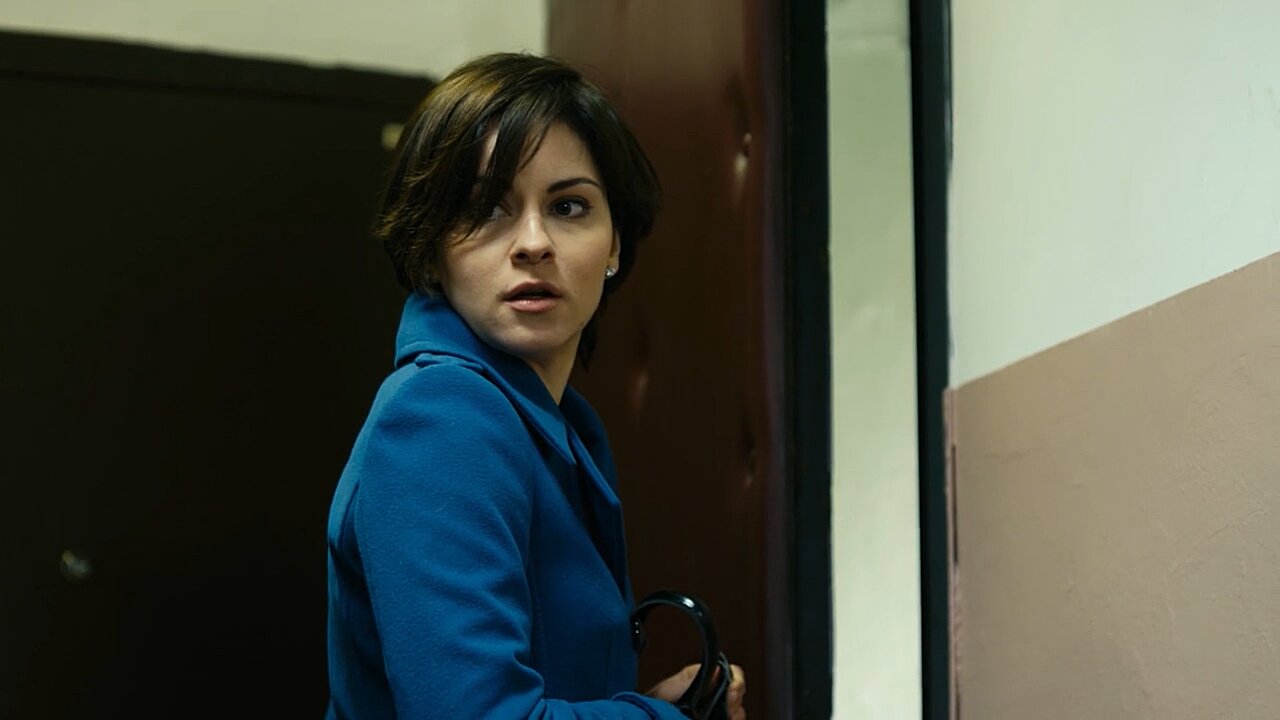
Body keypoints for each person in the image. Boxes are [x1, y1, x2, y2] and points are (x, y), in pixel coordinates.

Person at [324, 52, 746, 719]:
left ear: (614, 243)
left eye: (569, 206)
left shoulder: (554, 418)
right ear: (431, 244)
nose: (533, 243)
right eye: (486, 208)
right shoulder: (441, 416)